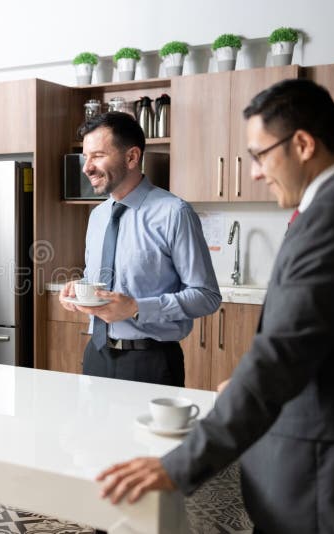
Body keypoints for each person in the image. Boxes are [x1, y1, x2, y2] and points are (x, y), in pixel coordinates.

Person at [95, 79, 334, 533]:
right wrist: (244, 381)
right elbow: (311, 340)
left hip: (322, 477)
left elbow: (281, 356)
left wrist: (178, 466)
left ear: (302, 144)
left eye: (260, 155)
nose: (254, 172)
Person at [60, 112, 220, 386]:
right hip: (96, 354)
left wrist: (136, 308)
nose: (87, 168)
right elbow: (99, 281)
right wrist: (79, 289)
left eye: (97, 155)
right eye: (85, 157)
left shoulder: (174, 213)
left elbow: (206, 296)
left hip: (151, 363)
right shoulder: (97, 216)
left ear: (132, 157)